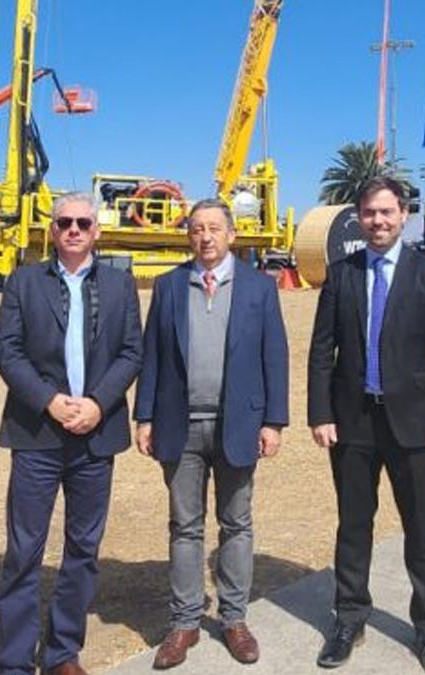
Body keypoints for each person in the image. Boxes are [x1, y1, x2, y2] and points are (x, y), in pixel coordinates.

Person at [307, 176, 425, 674]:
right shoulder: (341, 273)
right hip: (352, 423)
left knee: (421, 529)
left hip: (415, 426)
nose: (378, 221)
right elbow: (320, 350)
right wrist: (320, 413)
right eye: (370, 213)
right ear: (360, 216)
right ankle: (349, 617)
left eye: (387, 213)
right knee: (354, 526)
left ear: (403, 215)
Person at [133, 198, 289, 670]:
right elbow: (153, 357)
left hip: (237, 425)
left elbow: (274, 356)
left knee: (236, 524)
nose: (205, 237)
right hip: (179, 426)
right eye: (197, 229)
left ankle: (234, 619)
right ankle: (184, 623)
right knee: (185, 526)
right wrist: (144, 417)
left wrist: (273, 421)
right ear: (189, 235)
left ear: (231, 235)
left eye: (214, 229)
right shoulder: (168, 287)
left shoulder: (260, 289)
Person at [0, 192, 143, 675]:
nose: (74, 230)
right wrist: (50, 401)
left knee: (83, 549)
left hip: (95, 438)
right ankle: (14, 660)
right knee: (24, 549)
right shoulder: (24, 282)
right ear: (51, 230)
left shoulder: (121, 285)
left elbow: (131, 353)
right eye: (64, 223)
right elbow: (7, 352)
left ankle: (62, 653)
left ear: (97, 230)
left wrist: (98, 403)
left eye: (83, 222)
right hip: (37, 434)